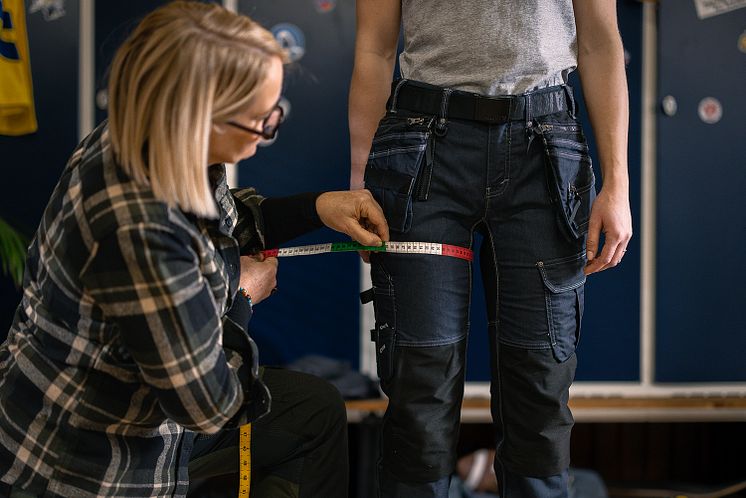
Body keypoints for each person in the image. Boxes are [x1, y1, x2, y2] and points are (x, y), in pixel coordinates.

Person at [0, 2, 388, 497]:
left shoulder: (160, 140)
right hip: (84, 461)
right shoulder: (139, 227)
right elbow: (209, 404)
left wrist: (317, 208)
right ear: (200, 116)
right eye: (261, 122)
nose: (270, 129)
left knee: (311, 411)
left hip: (137, 401)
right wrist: (242, 297)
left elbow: (227, 228)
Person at [349, 1, 632, 497]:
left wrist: (618, 186)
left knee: (540, 380)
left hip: (543, 148)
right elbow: (374, 48)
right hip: (423, 147)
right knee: (420, 379)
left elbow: (600, 41)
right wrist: (361, 185)